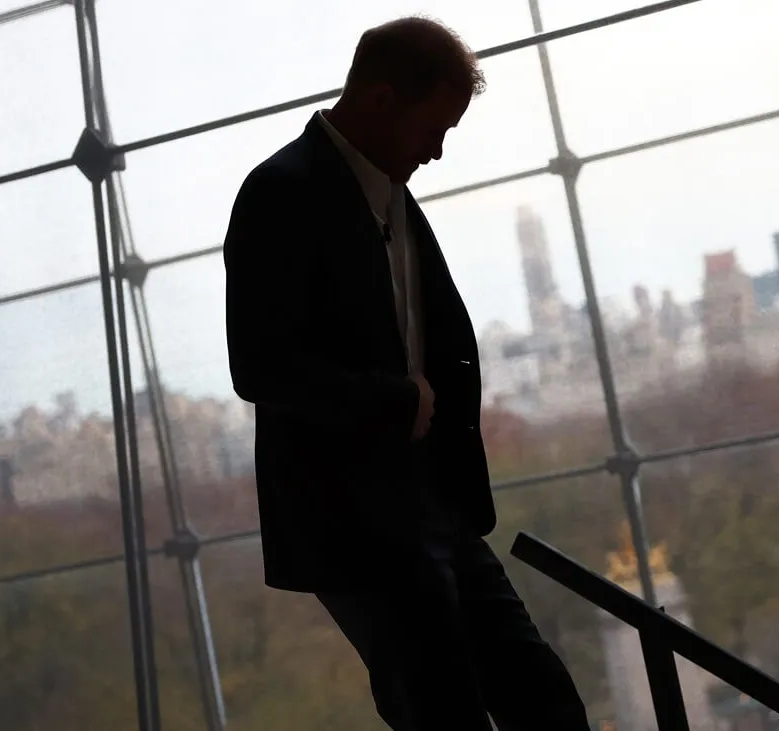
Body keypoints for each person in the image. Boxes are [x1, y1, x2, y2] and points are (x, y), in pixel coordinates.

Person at [222, 15, 590, 731]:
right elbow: (260, 364)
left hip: (426, 505)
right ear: (383, 100)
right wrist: (397, 403)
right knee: (445, 711)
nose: (439, 151)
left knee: (543, 699)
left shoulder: (386, 187)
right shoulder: (280, 192)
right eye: (434, 128)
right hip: (354, 521)